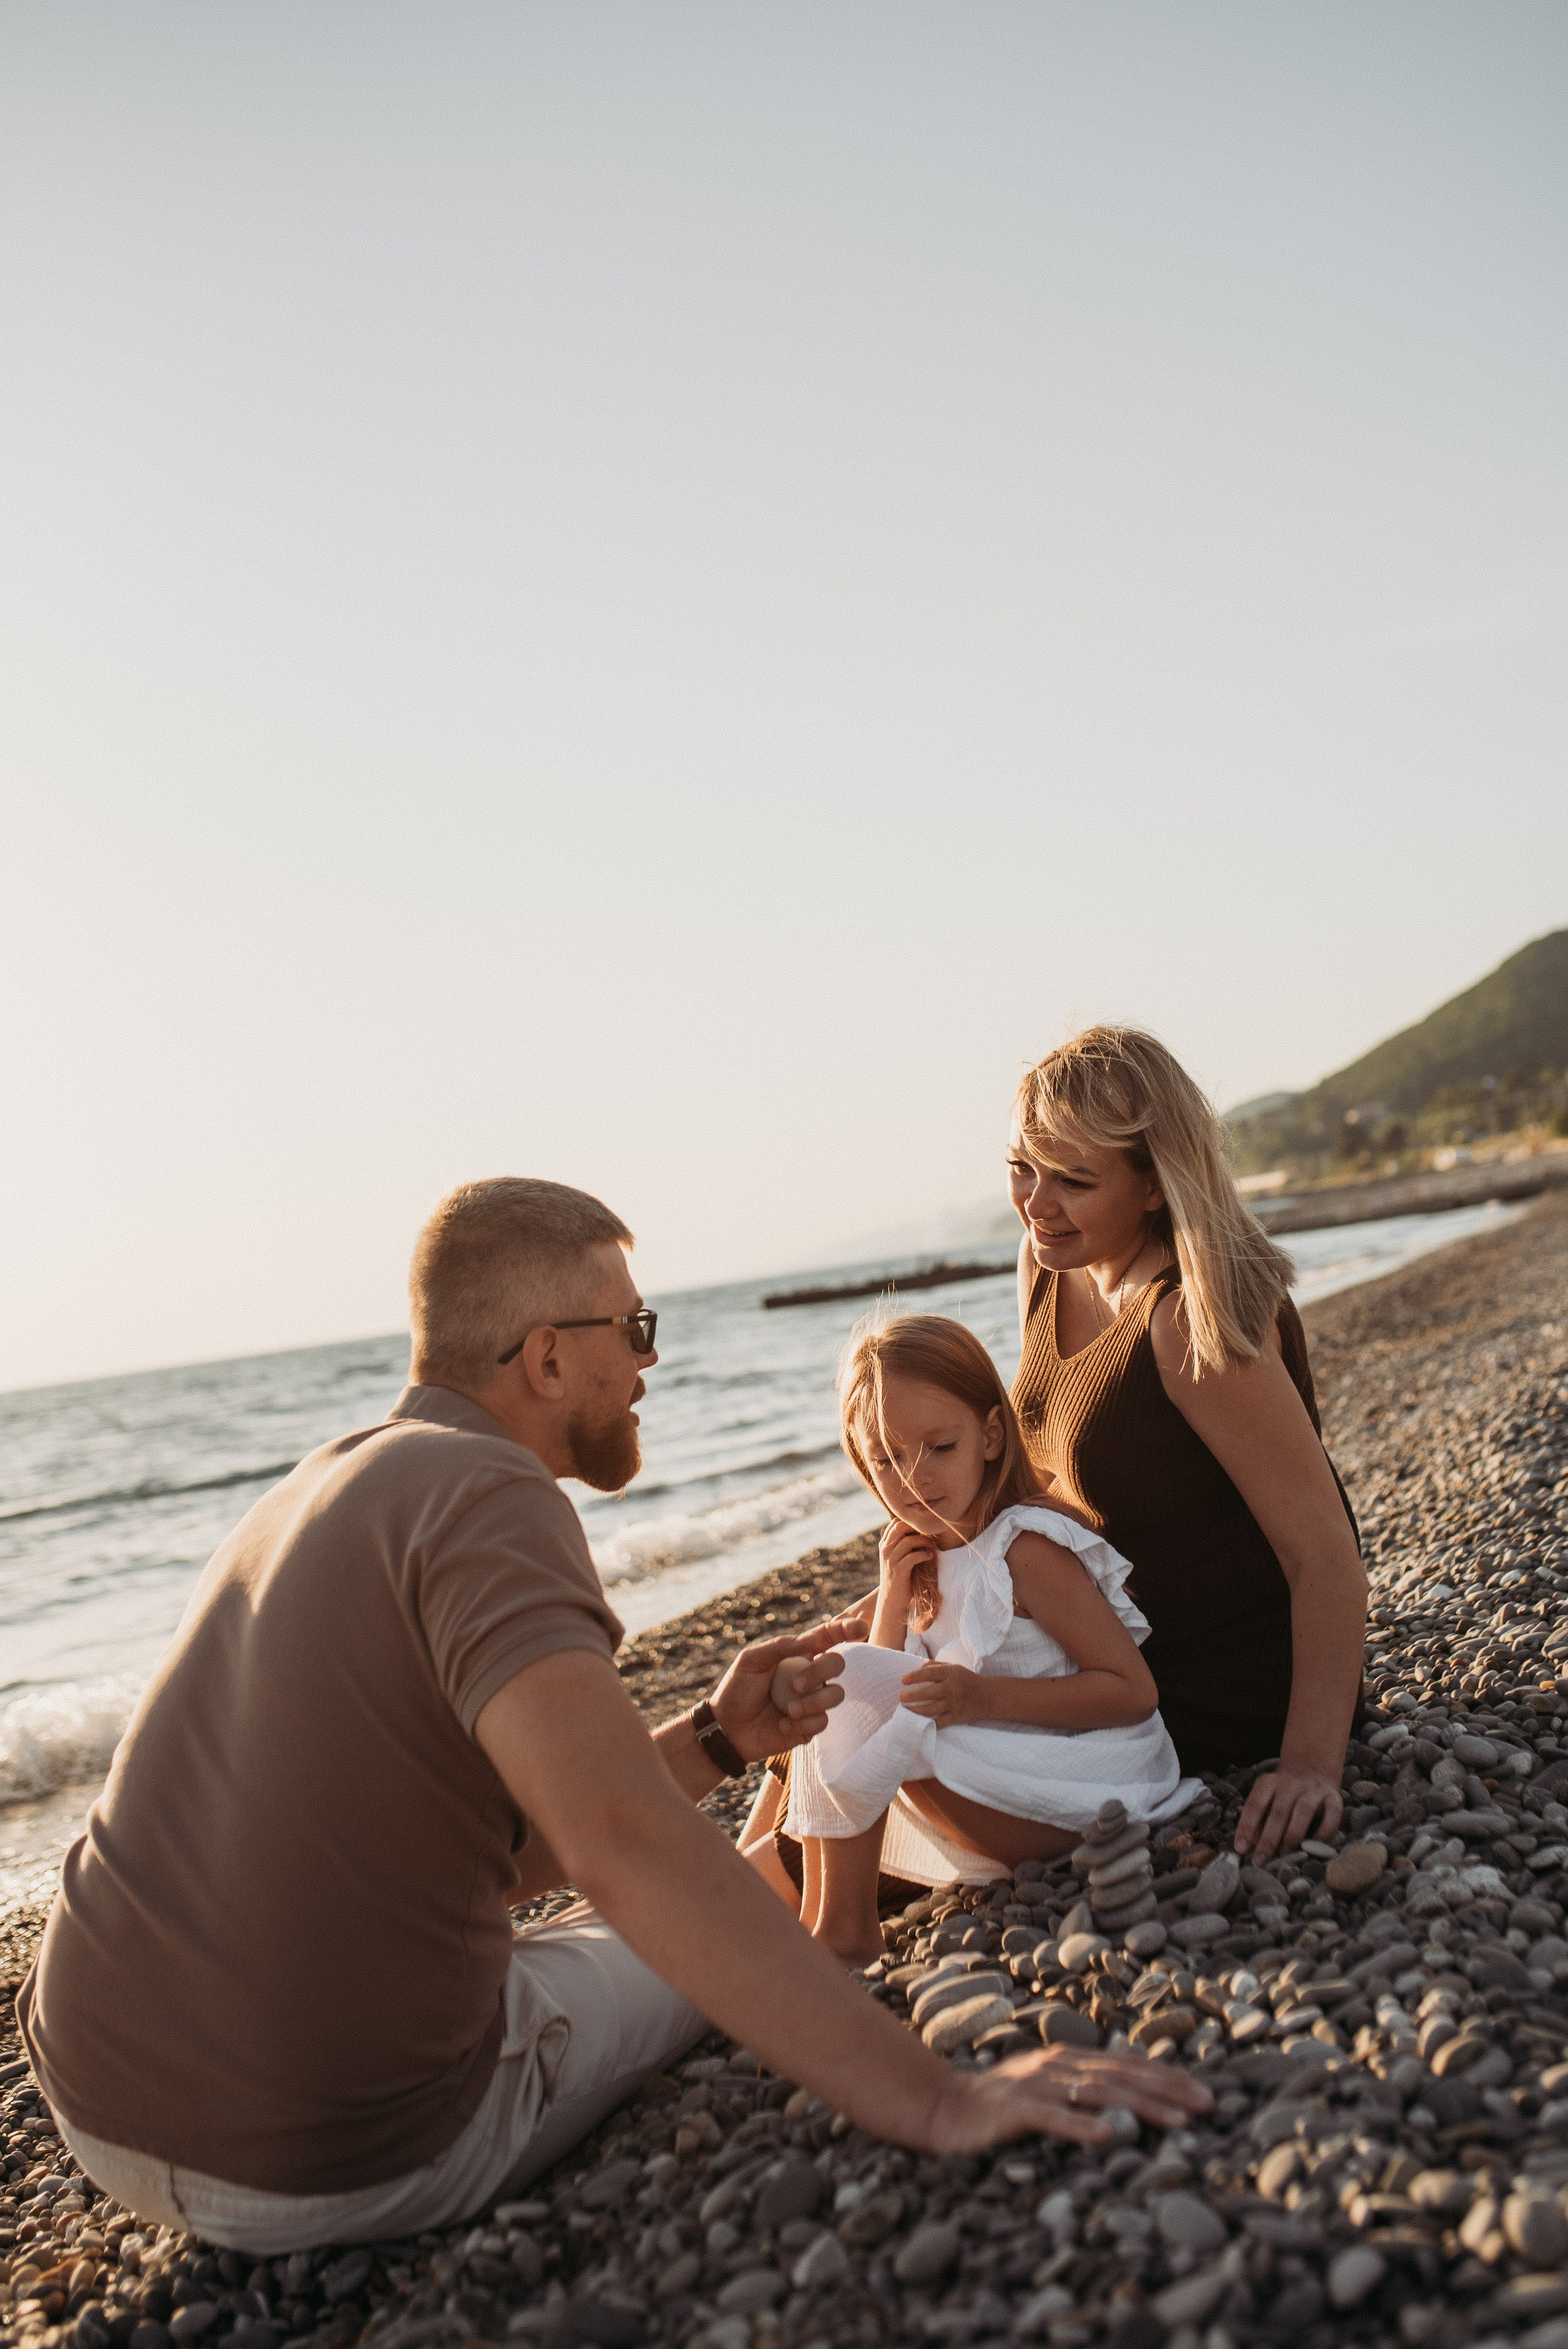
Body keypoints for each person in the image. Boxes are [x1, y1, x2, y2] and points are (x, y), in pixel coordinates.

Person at [19, 1177, 1208, 2253]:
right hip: (320, 2157)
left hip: (92, 2088)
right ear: (546, 1357)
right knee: (748, 1901)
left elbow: (479, 1855)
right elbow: (618, 1846)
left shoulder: (320, 1486)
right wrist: (937, 2096)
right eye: (633, 1330)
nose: (648, 1362)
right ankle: (781, 1882)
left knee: (672, 1883)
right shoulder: (492, 1491)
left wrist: (714, 1740)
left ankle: (761, 1849)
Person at [1006, 1027, 1367, 1862]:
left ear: (1153, 1186)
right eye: (1023, 1167)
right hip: (1107, 1646)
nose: (1035, 1202)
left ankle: (735, 1953)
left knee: (917, 1750)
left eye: (1073, 1179)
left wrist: (1312, 1762)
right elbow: (1058, 1473)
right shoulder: (1049, 1261)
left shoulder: (1184, 1318)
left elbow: (1326, 1556)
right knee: (861, 1687)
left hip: (1218, 1682)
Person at [782, 1317, 1200, 1964]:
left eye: (939, 1446)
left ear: (990, 1435)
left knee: (854, 1693)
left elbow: (1132, 1691)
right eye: (888, 1460)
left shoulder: (1024, 1548)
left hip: (1082, 1784)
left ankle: (843, 1932)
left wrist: (981, 1699)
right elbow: (887, 1668)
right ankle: (815, 1916)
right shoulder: (925, 1553)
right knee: (831, 1684)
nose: (914, 1479)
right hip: (1001, 1770)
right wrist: (894, 1592)